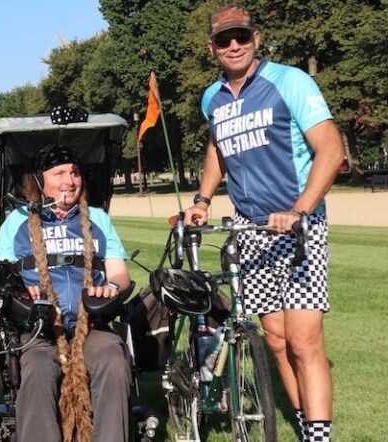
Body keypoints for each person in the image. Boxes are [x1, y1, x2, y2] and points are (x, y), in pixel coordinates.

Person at [184, 6, 344, 441]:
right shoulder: (212, 98)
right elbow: (218, 148)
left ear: (256, 38)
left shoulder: (290, 81)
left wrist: (300, 210)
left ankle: (318, 437)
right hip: (250, 231)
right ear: (212, 47)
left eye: (241, 37)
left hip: (299, 227)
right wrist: (202, 199)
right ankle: (305, 423)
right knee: (275, 339)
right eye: (224, 40)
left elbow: (331, 149)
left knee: (304, 340)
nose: (234, 45)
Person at [0, 145, 133, 442]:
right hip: (40, 330)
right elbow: (1, 278)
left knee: (112, 357)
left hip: (91, 325)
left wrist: (111, 287)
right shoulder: (17, 221)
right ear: (40, 180)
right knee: (38, 366)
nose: (69, 181)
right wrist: (20, 290)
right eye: (59, 173)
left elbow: (120, 273)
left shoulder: (98, 218)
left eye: (75, 173)